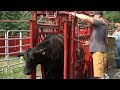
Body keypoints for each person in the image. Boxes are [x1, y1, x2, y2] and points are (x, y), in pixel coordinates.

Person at [69, 11, 108, 79]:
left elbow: (87, 18)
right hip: (99, 51)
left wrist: (75, 14)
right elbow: (100, 38)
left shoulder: (100, 22)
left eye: (94, 16)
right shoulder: (102, 25)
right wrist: (90, 42)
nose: (93, 17)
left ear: (98, 16)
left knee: (100, 76)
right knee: (100, 74)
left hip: (98, 52)